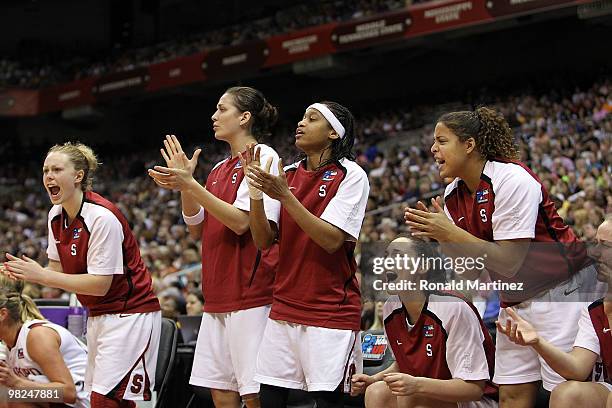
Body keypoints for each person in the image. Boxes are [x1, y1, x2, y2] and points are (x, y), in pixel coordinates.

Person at [404, 107, 598, 408]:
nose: (432, 149)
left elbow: (509, 260)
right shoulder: (454, 192)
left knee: (567, 393)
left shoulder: (511, 179)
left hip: (562, 291)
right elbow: (468, 272)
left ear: (469, 145)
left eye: (442, 141)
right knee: (511, 396)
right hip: (515, 300)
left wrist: (449, 233)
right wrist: (443, 235)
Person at [148, 86, 281, 408]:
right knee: (221, 389)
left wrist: (190, 183)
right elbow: (196, 227)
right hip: (217, 294)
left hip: (252, 294)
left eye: (222, 109)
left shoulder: (264, 156)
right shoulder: (219, 169)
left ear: (244, 117)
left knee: (252, 391)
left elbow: (241, 222)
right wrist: (186, 185)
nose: (214, 115)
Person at [4, 142, 161, 408]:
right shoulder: (56, 214)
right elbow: (56, 272)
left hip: (130, 314)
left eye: (56, 169)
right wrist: (21, 273)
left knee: (107, 401)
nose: (48, 177)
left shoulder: (101, 216)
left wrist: (40, 275)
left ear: (78, 176)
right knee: (96, 401)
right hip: (98, 315)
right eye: (45, 171)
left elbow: (99, 285)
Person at [242, 101, 369, 407]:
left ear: (333, 134)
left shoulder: (351, 175)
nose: (301, 123)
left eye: (312, 119)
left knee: (328, 401)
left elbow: (331, 240)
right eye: (301, 116)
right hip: (284, 307)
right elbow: (262, 240)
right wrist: (256, 193)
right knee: (269, 399)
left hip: (330, 309)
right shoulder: (286, 173)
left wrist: (285, 196)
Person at [351, 236, 498, 408]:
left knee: (411, 397)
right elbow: (404, 364)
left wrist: (417, 385)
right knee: (376, 392)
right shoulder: (391, 307)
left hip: (477, 401)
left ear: (422, 267)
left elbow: (473, 388)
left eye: (398, 256)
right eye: (386, 257)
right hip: (429, 393)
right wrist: (373, 379)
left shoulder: (452, 307)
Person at [497, 217, 612, 408]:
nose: (594, 252)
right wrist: (537, 342)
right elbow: (577, 369)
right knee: (567, 394)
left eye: (606, 246)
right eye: (595, 244)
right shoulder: (594, 310)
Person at [0, 276, 89, 408]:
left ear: (2, 314)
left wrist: (17, 383)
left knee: (15, 398)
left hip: (84, 401)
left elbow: (69, 393)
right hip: (61, 402)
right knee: (5, 394)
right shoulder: (8, 343)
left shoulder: (37, 336)